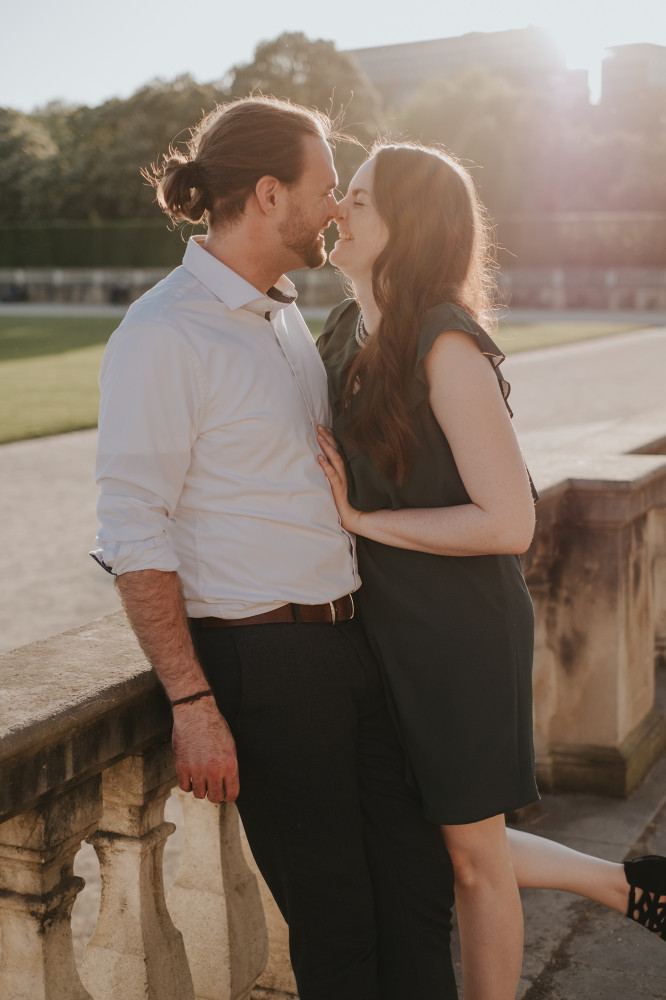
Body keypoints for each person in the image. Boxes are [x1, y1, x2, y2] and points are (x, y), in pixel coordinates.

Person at [92, 100, 459, 1000]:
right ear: (267, 194)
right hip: (262, 663)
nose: (337, 207)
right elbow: (132, 525)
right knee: (337, 934)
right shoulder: (164, 332)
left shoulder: (286, 312)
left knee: (417, 897)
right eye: (327, 188)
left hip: (350, 644)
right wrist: (191, 699)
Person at [316, 141, 666, 1000]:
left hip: (456, 634)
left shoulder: (445, 343)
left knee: (472, 863)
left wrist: (362, 520)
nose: (338, 210)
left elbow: (509, 522)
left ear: (409, 225)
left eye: (358, 199)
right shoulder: (340, 332)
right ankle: (623, 885)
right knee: (435, 837)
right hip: (382, 629)